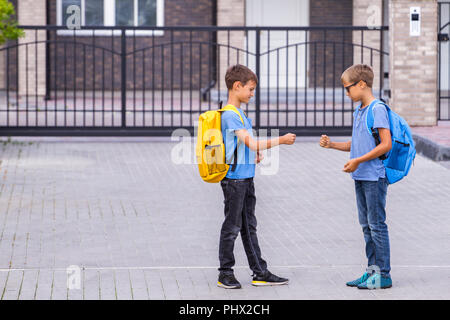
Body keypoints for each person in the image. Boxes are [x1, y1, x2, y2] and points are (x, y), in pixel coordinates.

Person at [217, 64, 296, 289]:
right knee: (232, 226)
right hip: (234, 180)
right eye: (250, 89)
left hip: (245, 177)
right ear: (237, 86)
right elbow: (250, 141)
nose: (252, 94)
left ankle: (259, 271)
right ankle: (225, 273)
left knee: (248, 226)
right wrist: (280, 140)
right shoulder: (231, 115)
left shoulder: (240, 113)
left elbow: (245, 145)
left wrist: (254, 153)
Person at [319, 64, 393, 289]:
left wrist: (359, 161)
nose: (346, 93)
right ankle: (372, 271)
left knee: (376, 225)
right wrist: (332, 145)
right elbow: (358, 145)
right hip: (360, 176)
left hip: (374, 177)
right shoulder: (360, 110)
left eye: (348, 88)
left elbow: (385, 144)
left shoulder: (376, 109)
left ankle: (384, 275)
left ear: (362, 84)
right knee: (366, 225)